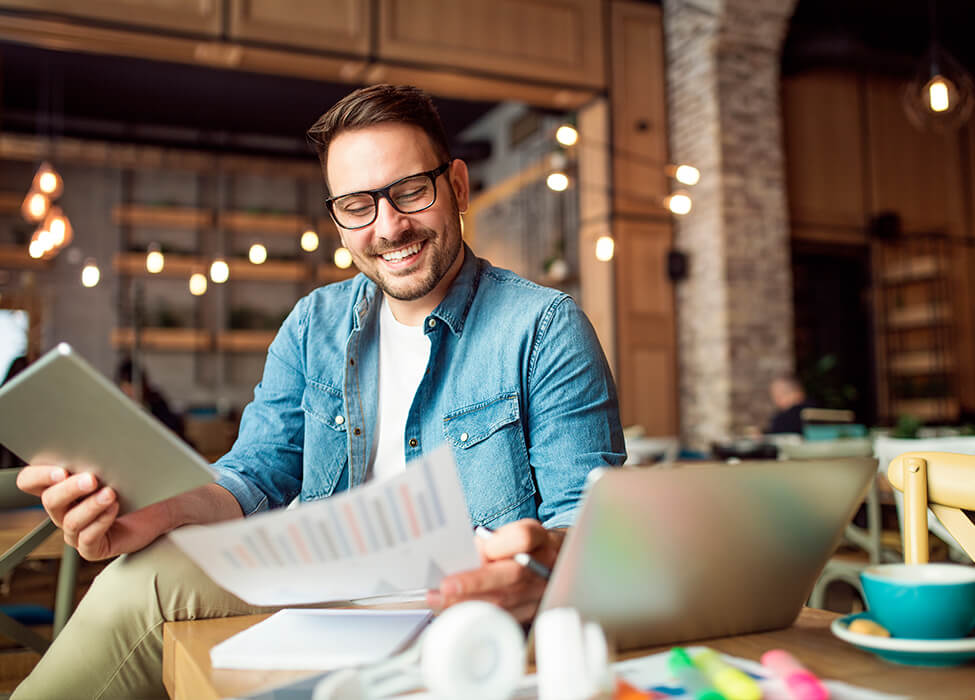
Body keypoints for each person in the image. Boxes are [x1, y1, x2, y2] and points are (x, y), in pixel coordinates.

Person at [12, 84, 625, 699]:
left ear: (458, 187)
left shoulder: (543, 326)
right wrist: (155, 516)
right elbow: (255, 475)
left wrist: (539, 563)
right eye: (358, 205)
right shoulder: (314, 324)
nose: (389, 226)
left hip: (462, 613)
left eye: (411, 191)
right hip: (317, 586)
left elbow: (586, 525)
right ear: (337, 217)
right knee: (137, 578)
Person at [116, 357, 187, 441]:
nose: (130, 392)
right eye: (126, 386)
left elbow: (173, 433)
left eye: (133, 386)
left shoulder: (156, 402)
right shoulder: (117, 406)